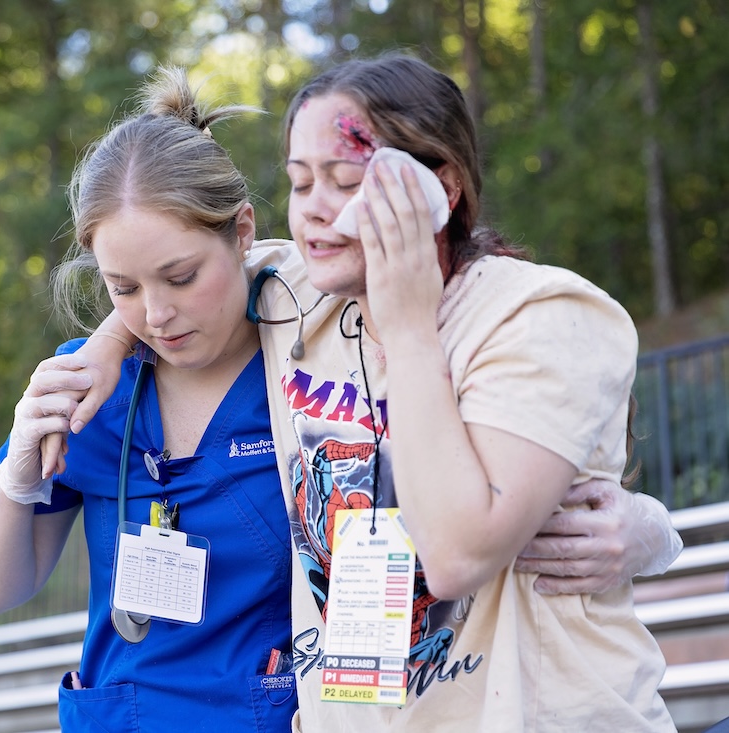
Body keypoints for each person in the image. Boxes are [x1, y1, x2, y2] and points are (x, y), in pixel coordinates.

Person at [64, 56, 681, 731]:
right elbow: (175, 265)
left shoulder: (541, 316)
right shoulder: (299, 296)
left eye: (348, 180)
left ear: (440, 186)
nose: (316, 211)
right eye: (300, 184)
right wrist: (106, 345)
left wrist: (409, 324)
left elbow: (453, 557)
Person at [0, 67, 298, 732]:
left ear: (243, 230)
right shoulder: (86, 389)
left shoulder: (309, 365)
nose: (158, 314)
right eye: (124, 288)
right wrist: (17, 480)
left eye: (181, 276)